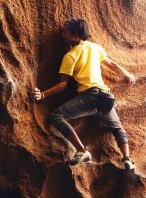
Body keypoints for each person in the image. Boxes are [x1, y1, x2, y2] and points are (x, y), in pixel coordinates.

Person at [30, 18, 136, 169]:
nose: (62, 35)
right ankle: (127, 159)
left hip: (90, 96)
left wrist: (43, 95)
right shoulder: (94, 47)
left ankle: (81, 151)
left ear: (76, 36)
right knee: (118, 129)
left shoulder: (70, 56)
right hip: (105, 98)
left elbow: (62, 85)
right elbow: (112, 64)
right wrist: (127, 75)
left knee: (56, 116)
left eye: (66, 32)